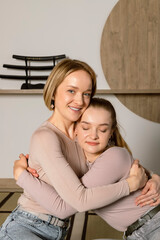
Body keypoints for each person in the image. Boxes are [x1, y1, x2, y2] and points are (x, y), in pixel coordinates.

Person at [0, 59, 156, 240]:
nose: (80, 100)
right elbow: (73, 203)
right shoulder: (45, 137)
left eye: (86, 94)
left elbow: (114, 163)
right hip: (27, 225)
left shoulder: (83, 134)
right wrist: (21, 176)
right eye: (71, 91)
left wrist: (153, 177)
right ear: (53, 92)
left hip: (59, 231)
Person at [15, 97, 160, 239]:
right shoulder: (81, 160)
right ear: (75, 128)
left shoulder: (115, 155)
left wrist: (21, 175)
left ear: (111, 132)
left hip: (154, 225)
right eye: (86, 127)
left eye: (102, 130)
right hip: (137, 233)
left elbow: (65, 207)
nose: (93, 135)